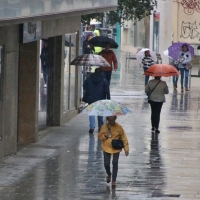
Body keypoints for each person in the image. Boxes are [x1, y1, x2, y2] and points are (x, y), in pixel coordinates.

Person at [98, 116, 129, 187]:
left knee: (115, 163)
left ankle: (114, 180)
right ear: (107, 119)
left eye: (112, 120)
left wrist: (126, 148)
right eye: (110, 120)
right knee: (106, 163)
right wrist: (104, 136)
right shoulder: (104, 127)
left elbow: (124, 138)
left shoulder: (119, 127)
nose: (111, 122)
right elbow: (99, 137)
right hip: (106, 147)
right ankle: (109, 174)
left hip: (116, 147)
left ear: (115, 119)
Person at [83, 68, 110, 133]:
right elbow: (107, 91)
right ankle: (100, 127)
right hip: (101, 99)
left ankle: (92, 127)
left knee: (91, 112)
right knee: (100, 113)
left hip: (91, 98)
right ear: (101, 73)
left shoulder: (89, 79)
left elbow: (84, 86)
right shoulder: (104, 80)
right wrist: (108, 100)